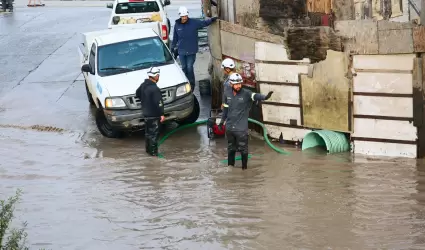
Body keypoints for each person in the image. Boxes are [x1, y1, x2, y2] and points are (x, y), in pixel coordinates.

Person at [219, 73, 273, 170]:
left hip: (241, 129)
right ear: (231, 84)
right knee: (231, 149)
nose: (238, 86)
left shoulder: (246, 93)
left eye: (240, 83)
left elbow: (255, 95)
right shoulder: (227, 94)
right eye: (236, 84)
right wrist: (221, 122)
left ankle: (244, 170)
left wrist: (265, 97)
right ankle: (230, 168)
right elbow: (225, 110)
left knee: (243, 150)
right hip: (230, 128)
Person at [171, 6, 218, 92]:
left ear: (187, 15)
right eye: (183, 16)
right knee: (184, 67)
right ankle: (185, 83)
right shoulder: (177, 25)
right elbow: (175, 38)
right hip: (181, 51)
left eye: (185, 16)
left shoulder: (193, 23)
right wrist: (172, 48)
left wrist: (212, 20)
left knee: (189, 67)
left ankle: (192, 84)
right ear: (180, 16)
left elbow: (204, 23)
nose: (184, 18)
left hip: (191, 50)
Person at [135, 67, 165, 156]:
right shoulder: (154, 88)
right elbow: (159, 103)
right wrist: (162, 114)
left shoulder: (143, 85)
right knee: (154, 135)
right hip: (154, 115)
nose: (158, 77)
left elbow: (137, 93)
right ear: (155, 76)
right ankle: (153, 153)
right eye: (158, 75)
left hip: (146, 114)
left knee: (148, 134)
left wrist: (145, 101)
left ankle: (148, 151)